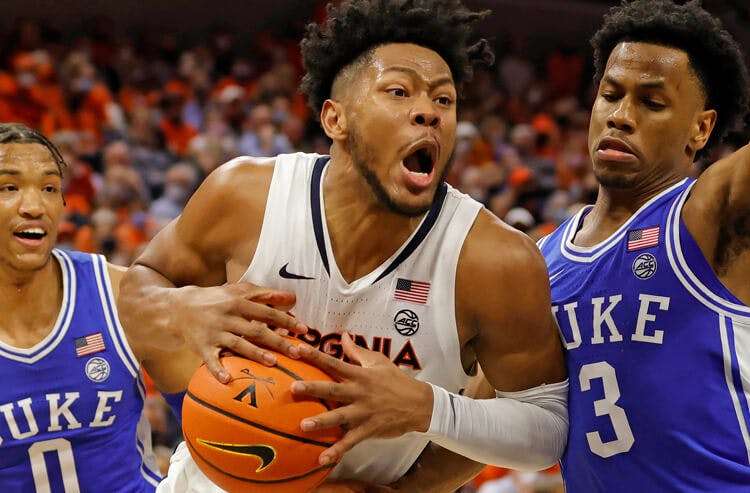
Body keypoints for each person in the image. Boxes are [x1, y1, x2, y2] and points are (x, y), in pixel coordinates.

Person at [118, 0, 568, 491]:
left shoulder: (493, 259)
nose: (429, 112)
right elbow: (139, 289)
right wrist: (180, 308)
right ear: (336, 120)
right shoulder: (244, 195)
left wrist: (426, 411)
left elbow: (545, 429)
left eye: (444, 100)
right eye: (398, 91)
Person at [0, 122, 300, 490]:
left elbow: (224, 424)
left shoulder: (117, 295)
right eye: (9, 187)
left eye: (49, 188)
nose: (33, 206)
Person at [536, 1, 750, 491]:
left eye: (652, 103)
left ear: (701, 128)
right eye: (610, 95)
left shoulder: (707, 216)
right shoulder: (540, 261)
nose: (621, 116)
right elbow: (490, 411)